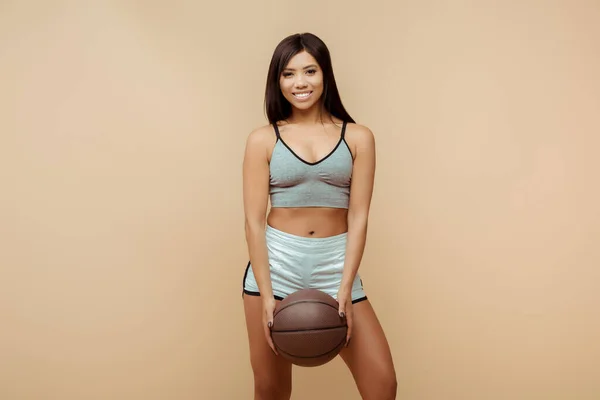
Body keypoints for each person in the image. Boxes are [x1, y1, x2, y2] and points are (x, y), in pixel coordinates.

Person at [241, 32, 397, 400]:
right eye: (288, 74)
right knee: (271, 390)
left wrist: (345, 286)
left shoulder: (359, 137)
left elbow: (359, 218)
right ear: (277, 81)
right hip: (275, 269)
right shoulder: (263, 139)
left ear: (325, 74)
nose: (300, 83)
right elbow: (252, 222)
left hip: (335, 266)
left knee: (383, 385)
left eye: (309, 71)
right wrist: (266, 295)